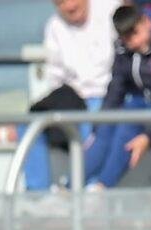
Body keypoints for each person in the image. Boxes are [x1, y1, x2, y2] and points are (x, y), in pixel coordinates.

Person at [21, 0, 121, 191]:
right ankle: (38, 195)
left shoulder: (110, 9)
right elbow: (55, 76)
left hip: (108, 94)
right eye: (59, 3)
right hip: (73, 96)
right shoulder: (53, 26)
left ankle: (86, 192)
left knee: (89, 124)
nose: (68, 7)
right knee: (29, 124)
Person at [84, 4, 151, 190]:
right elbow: (116, 89)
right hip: (140, 105)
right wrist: (99, 124)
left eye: (135, 33)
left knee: (127, 125)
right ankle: (70, 187)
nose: (132, 42)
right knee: (105, 128)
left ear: (147, 23)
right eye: (126, 38)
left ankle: (103, 186)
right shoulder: (124, 50)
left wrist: (149, 134)